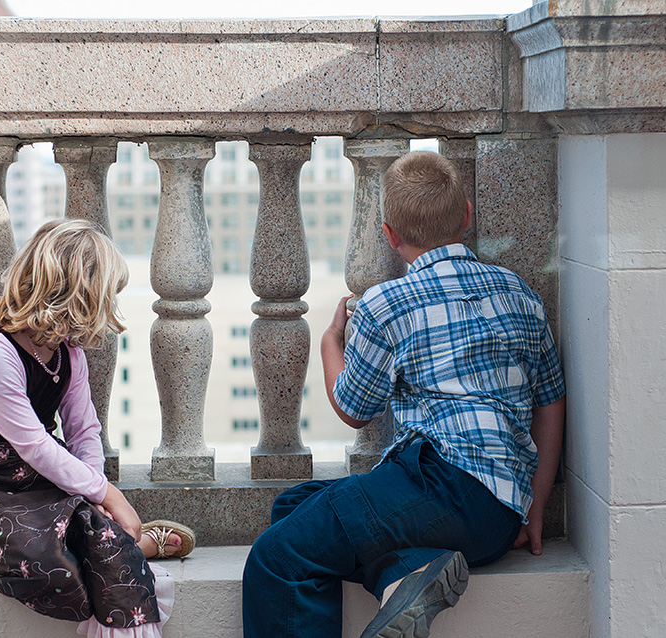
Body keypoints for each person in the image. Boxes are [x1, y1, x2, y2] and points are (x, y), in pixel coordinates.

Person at [242, 151, 566, 638]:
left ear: (389, 234)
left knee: (277, 557)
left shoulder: (386, 303)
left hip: (442, 486)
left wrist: (332, 340)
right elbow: (551, 400)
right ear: (467, 214)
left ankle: (405, 574)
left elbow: (352, 408)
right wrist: (534, 506)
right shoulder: (518, 292)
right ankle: (406, 578)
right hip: (498, 518)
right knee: (292, 508)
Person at [0, 219, 195, 638]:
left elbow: (82, 430)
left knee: (88, 523)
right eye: (106, 295)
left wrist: (92, 490)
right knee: (34, 559)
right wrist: (109, 494)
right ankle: (134, 543)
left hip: (44, 474)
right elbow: (35, 445)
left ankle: (119, 540)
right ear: (80, 296)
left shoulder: (68, 355)